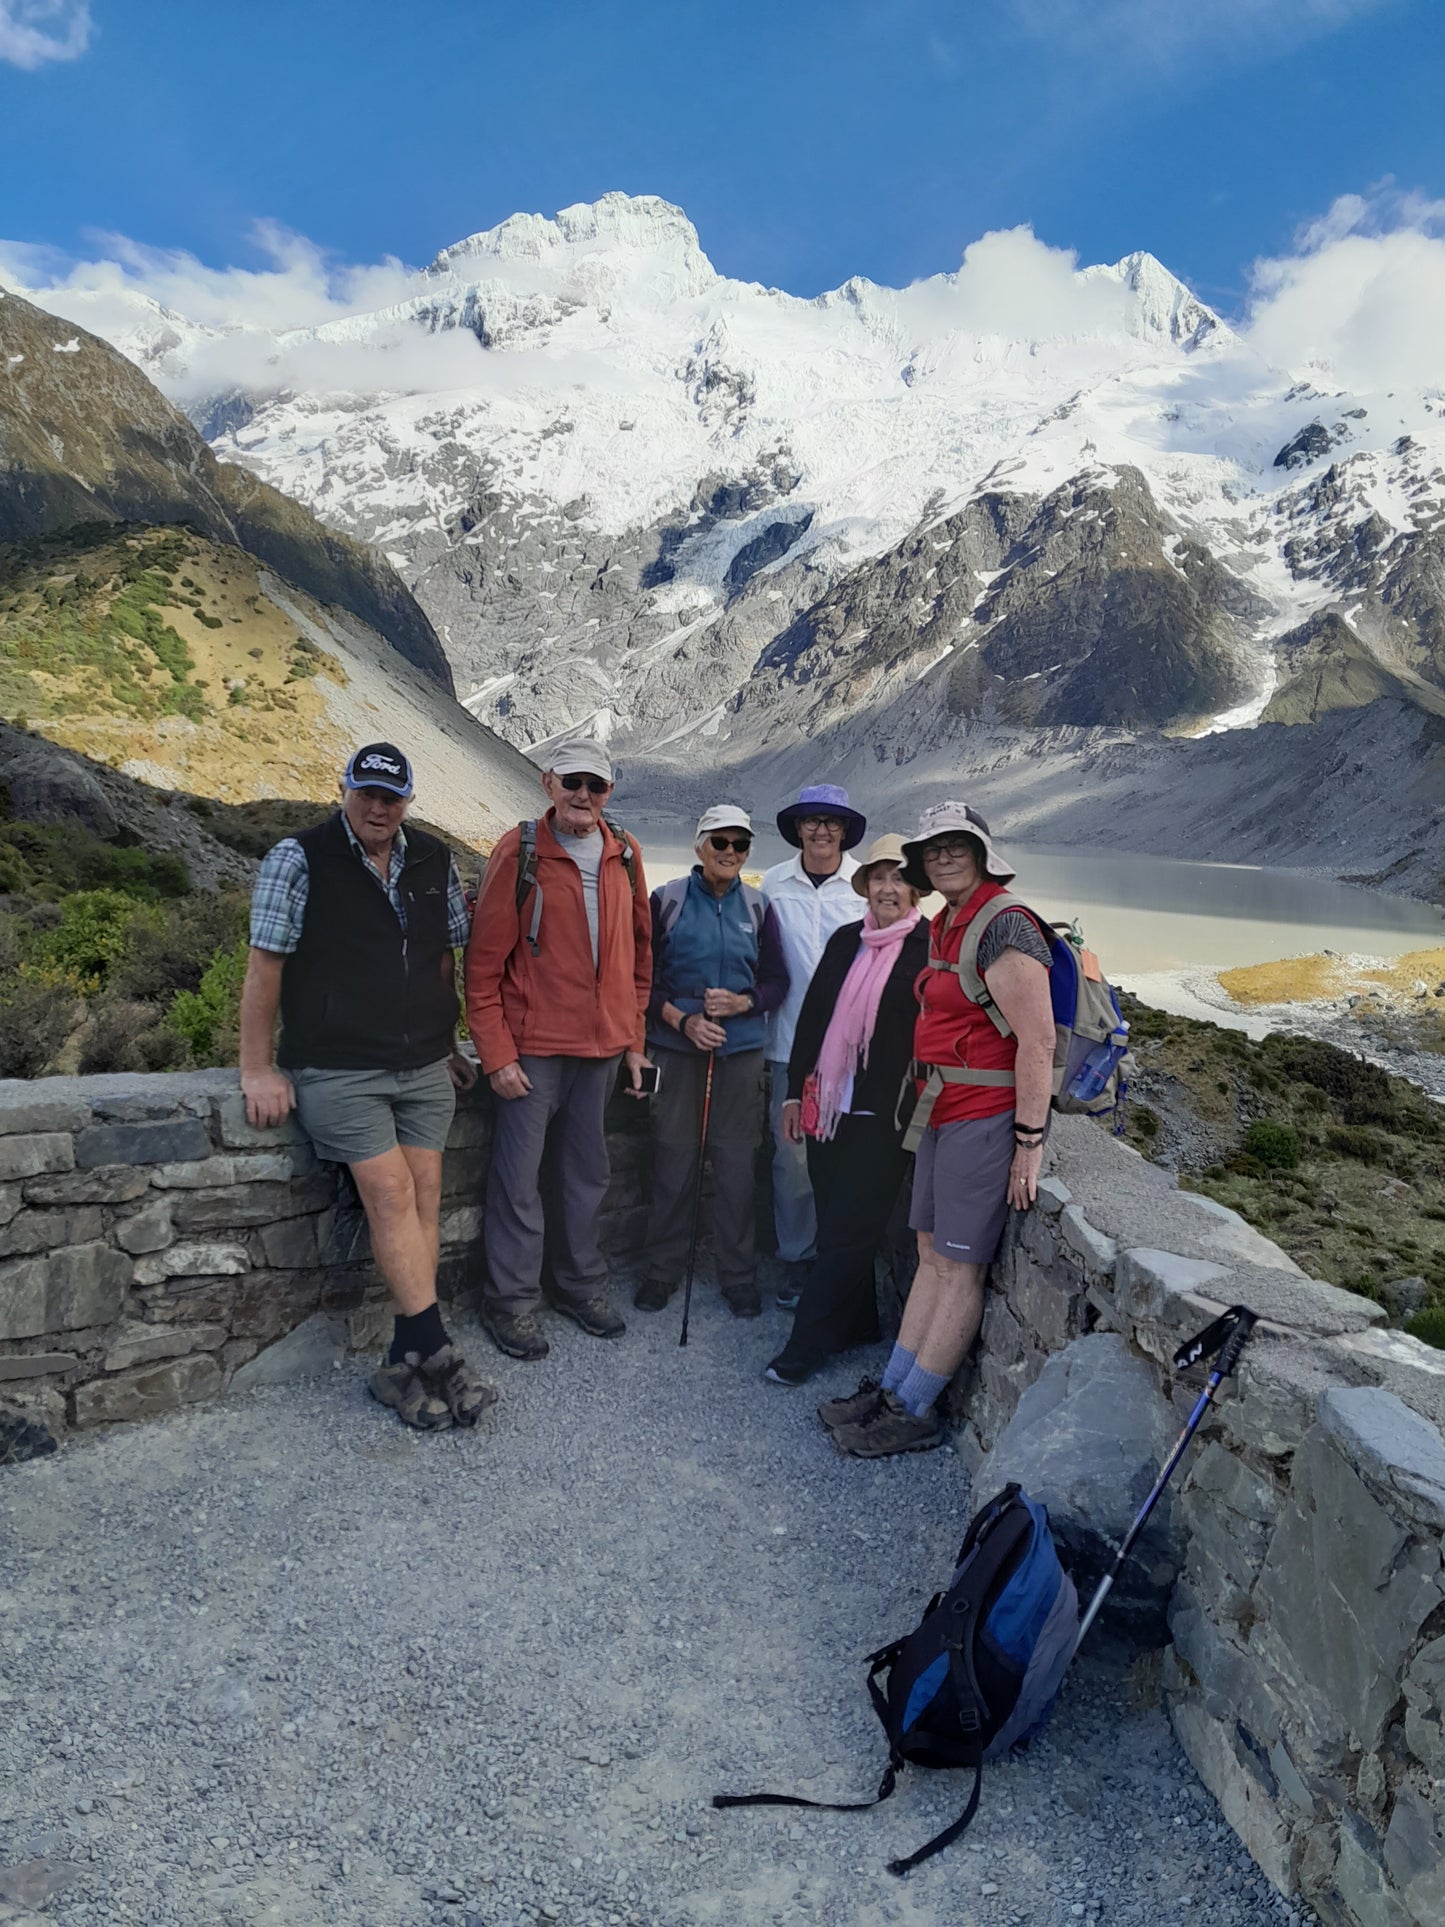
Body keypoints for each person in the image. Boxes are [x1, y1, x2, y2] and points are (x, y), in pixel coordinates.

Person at [239, 743, 494, 1432]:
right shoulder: (299, 857)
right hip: (336, 1065)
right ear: (345, 789)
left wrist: (447, 1042)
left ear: (408, 799)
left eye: (391, 797)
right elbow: (265, 966)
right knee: (388, 1192)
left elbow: (444, 958)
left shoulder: (431, 859)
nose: (377, 808)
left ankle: (402, 1359)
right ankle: (438, 1348)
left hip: (421, 1064)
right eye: (366, 793)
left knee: (425, 1194)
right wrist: (257, 1068)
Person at [825, 803, 1056, 1459]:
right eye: (933, 847)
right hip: (940, 1108)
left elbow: (1036, 1040)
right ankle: (894, 1386)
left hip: (982, 1118)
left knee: (956, 1266)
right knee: (930, 1252)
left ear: (982, 852)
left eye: (958, 844)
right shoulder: (949, 923)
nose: (944, 855)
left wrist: (1029, 1143)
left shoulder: (1004, 924)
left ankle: (914, 1405)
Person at [464, 739, 652, 1361]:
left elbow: (639, 959)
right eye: (571, 781)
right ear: (548, 782)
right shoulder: (518, 853)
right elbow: (483, 965)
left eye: (595, 786)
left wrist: (633, 1042)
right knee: (517, 1179)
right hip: (534, 1048)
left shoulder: (625, 855)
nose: (582, 795)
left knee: (586, 1174)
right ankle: (512, 1302)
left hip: (600, 1049)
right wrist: (496, 1053)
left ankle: (579, 1287)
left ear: (609, 794)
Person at [763, 835, 929, 1386]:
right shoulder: (845, 942)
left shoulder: (929, 951)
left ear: (917, 890)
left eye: (899, 878)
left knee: (846, 1233)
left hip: (887, 1119)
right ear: (866, 886)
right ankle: (859, 1323)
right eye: (879, 877)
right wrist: (794, 1093)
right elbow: (812, 1021)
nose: (887, 888)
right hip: (829, 1108)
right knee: (839, 1217)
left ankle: (804, 1345)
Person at [635, 806, 789, 1319]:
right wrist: (683, 1021)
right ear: (699, 845)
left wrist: (744, 1003)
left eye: (740, 844)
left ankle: (738, 1275)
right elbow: (644, 982)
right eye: (719, 842)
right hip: (678, 1051)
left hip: (740, 1054)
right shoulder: (668, 901)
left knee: (736, 1167)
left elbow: (776, 981)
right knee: (672, 1160)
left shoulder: (759, 907)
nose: (729, 852)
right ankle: (662, 1271)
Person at [761, 784, 866, 1307]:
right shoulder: (774, 884)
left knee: (847, 1154)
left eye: (831, 821)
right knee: (793, 1158)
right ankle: (797, 1258)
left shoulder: (867, 885)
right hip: (787, 1041)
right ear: (797, 828)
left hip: (854, 1048)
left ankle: (840, 1259)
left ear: (845, 830)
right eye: (811, 821)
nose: (821, 830)